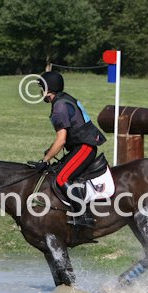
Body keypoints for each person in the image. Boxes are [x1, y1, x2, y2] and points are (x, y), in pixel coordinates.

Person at [35, 71, 107, 227]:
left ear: (49, 89)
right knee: (57, 171)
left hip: (85, 147)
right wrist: (50, 152)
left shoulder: (59, 106)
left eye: (42, 88)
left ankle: (84, 216)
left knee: (62, 178)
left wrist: (45, 160)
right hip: (80, 146)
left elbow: (61, 140)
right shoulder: (63, 99)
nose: (41, 92)